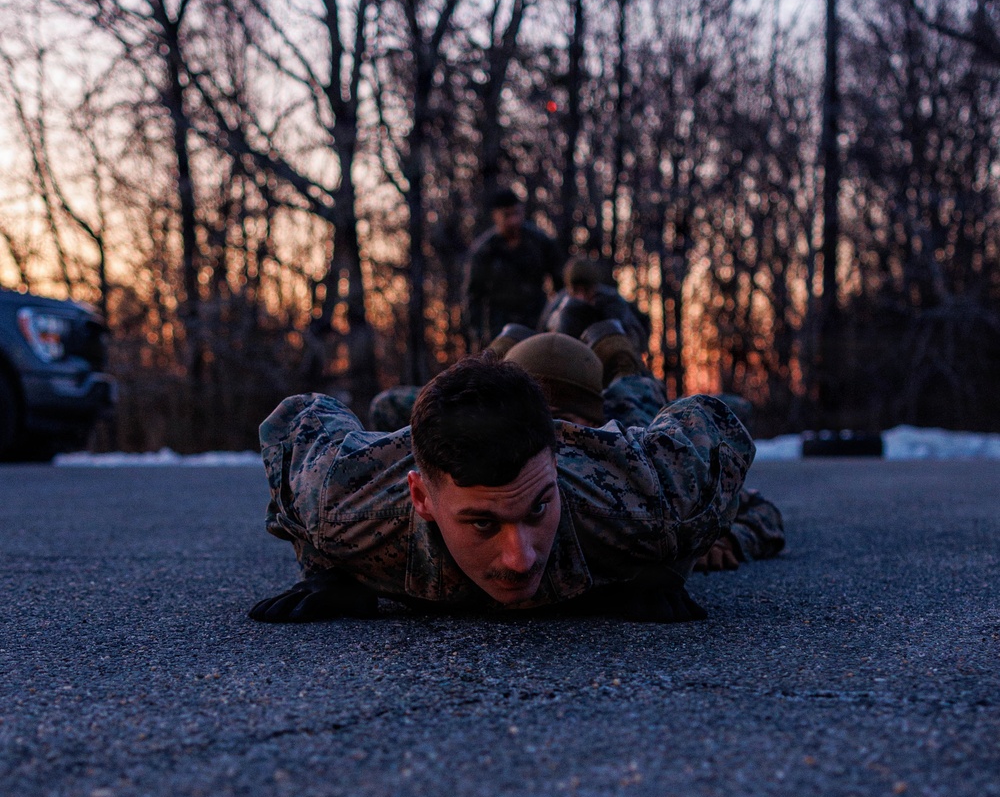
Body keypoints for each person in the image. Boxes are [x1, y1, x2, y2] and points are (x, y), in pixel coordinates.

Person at [248, 351, 755, 624]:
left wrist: (667, 561)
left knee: (631, 397)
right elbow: (299, 420)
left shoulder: (648, 497)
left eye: (538, 509)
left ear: (556, 466)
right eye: (482, 523)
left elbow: (712, 426)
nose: (521, 559)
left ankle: (612, 355)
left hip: (586, 448)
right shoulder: (340, 502)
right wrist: (325, 568)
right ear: (422, 499)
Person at [502, 330, 785, 573]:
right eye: (528, 423)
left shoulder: (632, 457)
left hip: (635, 410)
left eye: (561, 421)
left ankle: (618, 351)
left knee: (636, 392)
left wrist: (727, 539)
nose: (545, 436)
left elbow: (762, 511)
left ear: (592, 423)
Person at [463, 189, 563, 346]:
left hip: (537, 321)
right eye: (507, 215)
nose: (513, 221)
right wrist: (478, 336)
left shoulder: (540, 242)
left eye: (517, 213)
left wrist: (557, 319)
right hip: (500, 327)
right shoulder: (485, 250)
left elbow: (561, 282)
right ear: (496, 216)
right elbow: (473, 296)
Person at [539, 257, 650, 354]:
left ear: (594, 287)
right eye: (576, 290)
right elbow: (541, 335)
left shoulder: (612, 303)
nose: (581, 297)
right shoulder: (557, 305)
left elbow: (635, 335)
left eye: (586, 290)